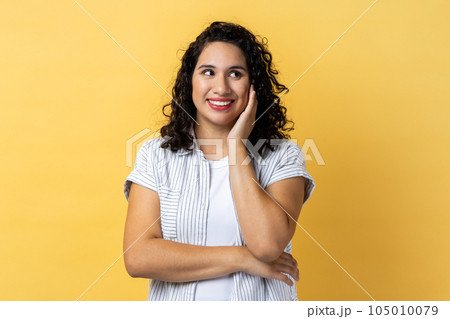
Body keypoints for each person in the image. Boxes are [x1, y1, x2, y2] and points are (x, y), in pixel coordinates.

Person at [123, 21, 316, 301]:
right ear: (191, 80)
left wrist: (236, 146)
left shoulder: (283, 156)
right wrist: (241, 258)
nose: (221, 87)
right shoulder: (156, 155)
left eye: (235, 74)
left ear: (253, 86)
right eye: (208, 72)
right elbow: (138, 257)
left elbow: (266, 246)